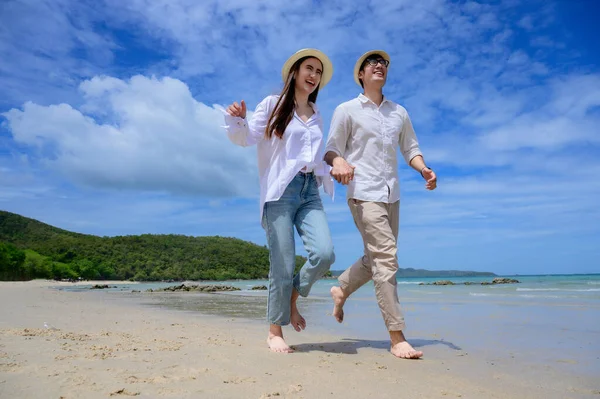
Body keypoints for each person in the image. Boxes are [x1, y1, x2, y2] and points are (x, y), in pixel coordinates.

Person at [324, 50, 437, 359]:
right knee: (387, 259)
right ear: (361, 74)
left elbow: (410, 147)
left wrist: (423, 168)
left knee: (375, 259)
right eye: (372, 63)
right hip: (363, 191)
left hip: (392, 194)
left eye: (384, 63)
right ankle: (397, 336)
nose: (379, 66)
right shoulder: (346, 110)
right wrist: (340, 162)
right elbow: (331, 150)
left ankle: (342, 288)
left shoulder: (399, 112)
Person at [223, 49, 336, 353]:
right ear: (295, 72)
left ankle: (291, 299)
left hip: (309, 189)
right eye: (309, 69)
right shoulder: (273, 105)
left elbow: (312, 159)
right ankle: (275, 331)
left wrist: (334, 168)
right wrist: (237, 121)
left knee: (324, 253)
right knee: (283, 264)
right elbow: (247, 137)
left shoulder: (316, 115)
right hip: (280, 192)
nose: (313, 76)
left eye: (318, 72)